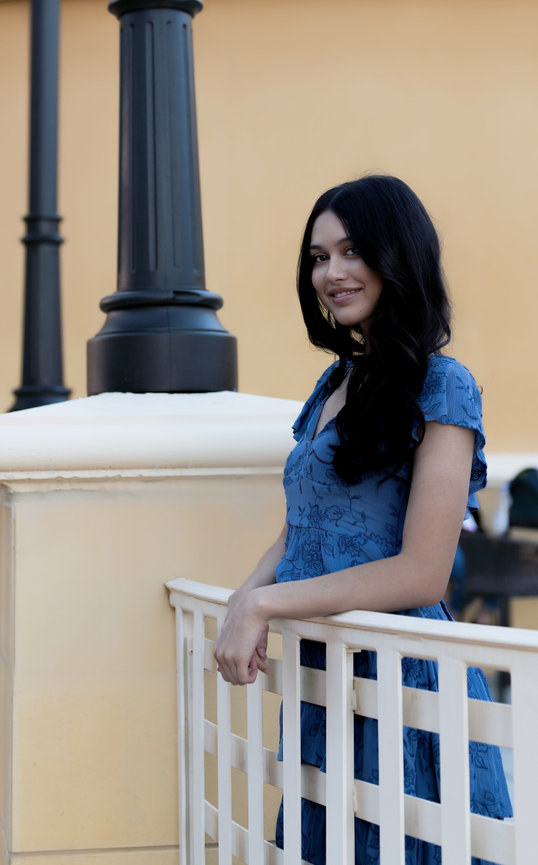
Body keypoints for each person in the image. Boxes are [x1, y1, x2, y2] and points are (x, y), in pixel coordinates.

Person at [214, 174, 512, 864]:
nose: (331, 273)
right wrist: (243, 597)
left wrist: (266, 599)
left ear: (396, 254)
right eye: (318, 257)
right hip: (327, 673)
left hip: (403, 676)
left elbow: (423, 571)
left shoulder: (444, 384)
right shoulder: (335, 381)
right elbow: (303, 524)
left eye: (350, 251)